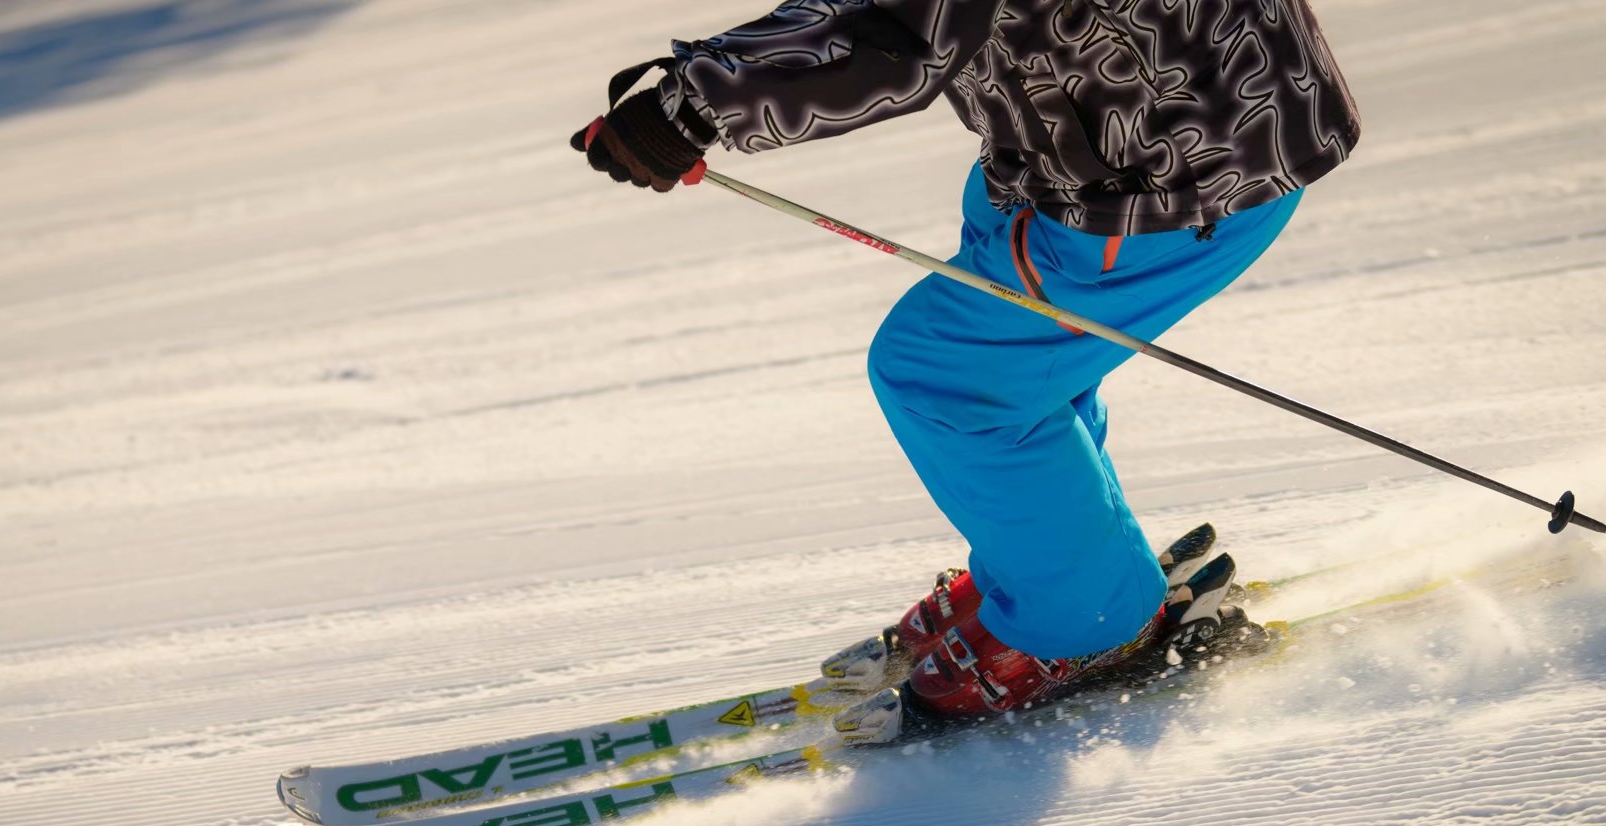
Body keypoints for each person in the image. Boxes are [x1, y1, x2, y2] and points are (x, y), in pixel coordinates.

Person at [572, 0, 1361, 736]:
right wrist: (700, 90)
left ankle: (1085, 619)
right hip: (1120, 133)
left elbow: (898, 40)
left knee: (948, 376)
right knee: (1008, 342)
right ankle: (1060, 564)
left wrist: (693, 106)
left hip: (1178, 169)